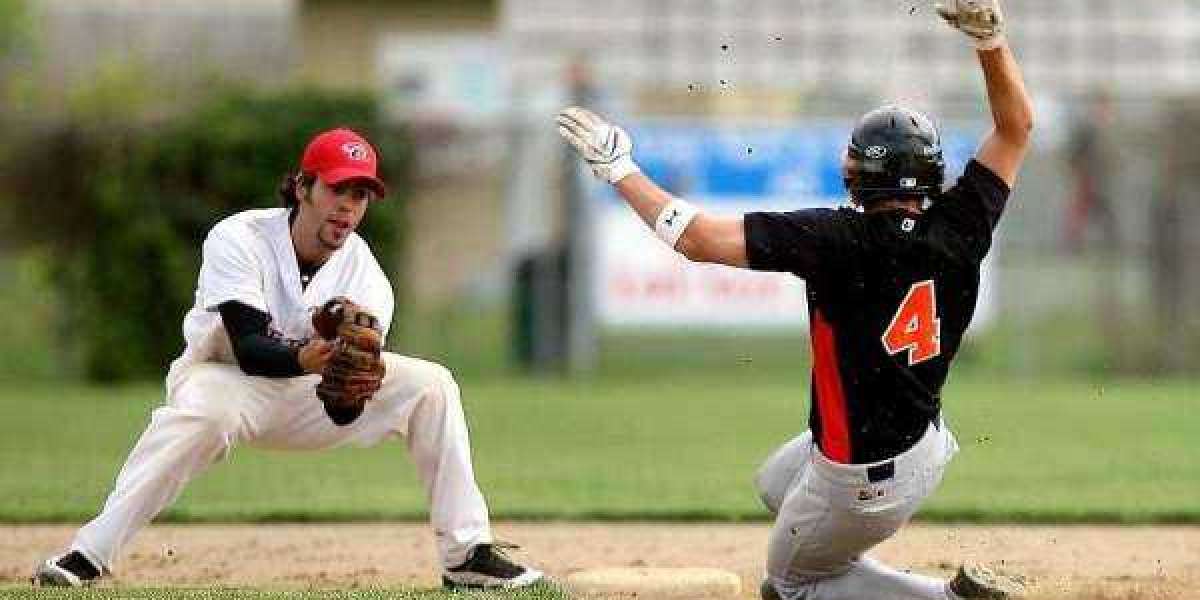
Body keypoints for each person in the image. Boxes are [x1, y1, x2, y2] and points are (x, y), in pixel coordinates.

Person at [556, 1, 1031, 598]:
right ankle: (847, 555)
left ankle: (942, 598)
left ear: (863, 174)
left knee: (786, 589)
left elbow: (699, 240)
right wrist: (990, 42)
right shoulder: (962, 225)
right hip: (925, 447)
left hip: (859, 479)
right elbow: (1016, 127)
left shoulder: (836, 238)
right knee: (776, 485)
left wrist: (618, 169)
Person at [33, 127, 543, 590]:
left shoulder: (365, 276)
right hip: (227, 380)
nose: (348, 206)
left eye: (360, 194)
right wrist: (309, 353)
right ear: (302, 188)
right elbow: (250, 347)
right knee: (203, 415)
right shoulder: (240, 238)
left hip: (308, 398)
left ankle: (466, 555)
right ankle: (88, 554)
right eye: (337, 188)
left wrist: (348, 381)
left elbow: (344, 410)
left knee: (434, 385)